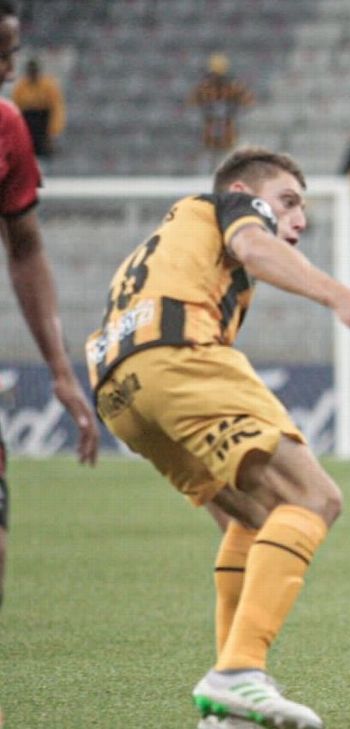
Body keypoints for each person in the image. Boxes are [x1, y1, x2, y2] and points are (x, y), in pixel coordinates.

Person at [84, 146, 350, 728]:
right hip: (176, 354)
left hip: (118, 388)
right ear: (246, 192)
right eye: (288, 201)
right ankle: (238, 673)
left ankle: (226, 704)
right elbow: (256, 247)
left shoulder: (172, 239)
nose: (300, 219)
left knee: (253, 519)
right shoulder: (231, 206)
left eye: (303, 207)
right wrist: (343, 296)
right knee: (313, 499)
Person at [0, 0, 99, 616]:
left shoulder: (9, 127)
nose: (10, 69)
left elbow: (27, 247)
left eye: (11, 53)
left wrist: (61, 371)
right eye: (1, 53)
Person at [187, 53, 254, 160]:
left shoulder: (234, 87)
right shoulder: (204, 88)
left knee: (228, 155)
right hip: (208, 130)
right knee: (208, 155)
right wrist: (205, 111)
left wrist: (234, 110)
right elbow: (192, 105)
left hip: (229, 129)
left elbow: (248, 103)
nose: (217, 78)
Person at [11, 56, 64, 157]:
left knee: (45, 154)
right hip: (27, 124)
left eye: (34, 71)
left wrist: (53, 131)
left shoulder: (48, 86)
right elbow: (15, 112)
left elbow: (56, 109)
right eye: (30, 71)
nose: (32, 73)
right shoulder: (20, 87)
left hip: (43, 125)